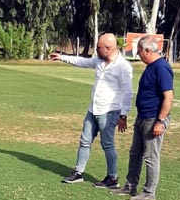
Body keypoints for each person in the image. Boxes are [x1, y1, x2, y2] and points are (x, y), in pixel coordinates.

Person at [49, 33, 133, 189]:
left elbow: (128, 92)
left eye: (98, 48)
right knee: (84, 140)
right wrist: (62, 57)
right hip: (93, 109)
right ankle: (78, 172)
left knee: (107, 144)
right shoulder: (100, 61)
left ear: (108, 48)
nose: (96, 50)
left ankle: (112, 178)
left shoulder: (123, 67)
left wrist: (123, 114)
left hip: (109, 112)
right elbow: (82, 62)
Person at [111, 34, 173, 200]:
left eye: (139, 52)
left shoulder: (162, 68)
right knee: (135, 153)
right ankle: (130, 186)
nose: (138, 55)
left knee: (151, 156)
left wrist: (160, 121)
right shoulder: (151, 67)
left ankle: (149, 193)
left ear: (147, 50)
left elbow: (168, 97)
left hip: (153, 118)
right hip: (142, 116)